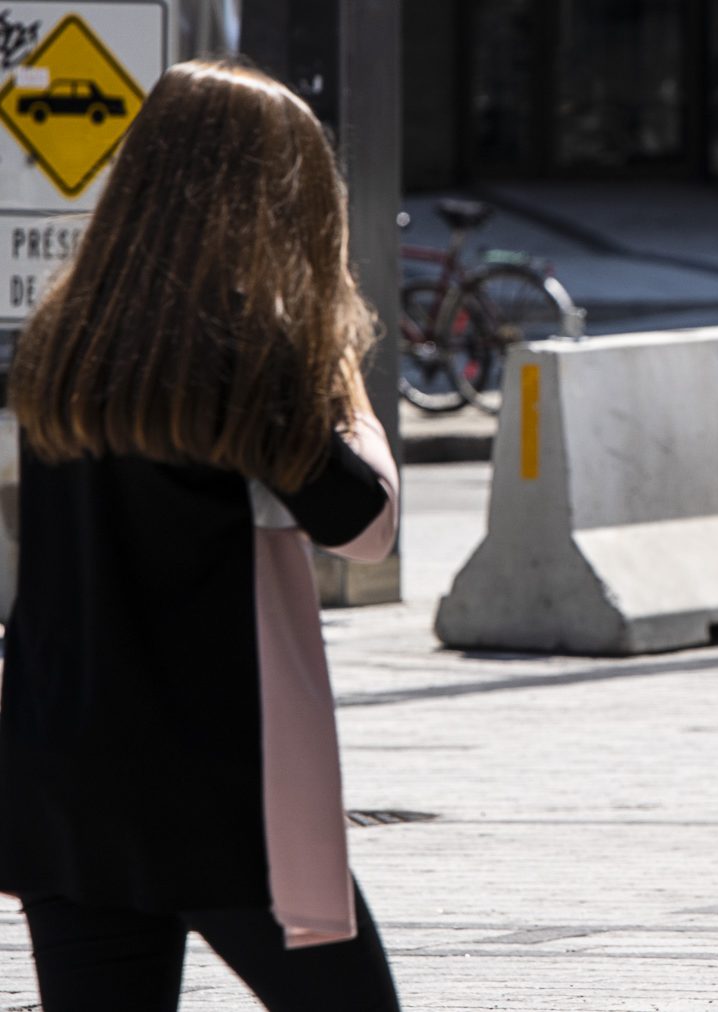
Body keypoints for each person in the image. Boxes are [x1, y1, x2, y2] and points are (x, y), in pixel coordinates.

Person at [0, 61, 403, 1011]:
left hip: (64, 777)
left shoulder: (62, 339)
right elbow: (366, 527)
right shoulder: (245, 352)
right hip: (220, 787)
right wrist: (343, 389)